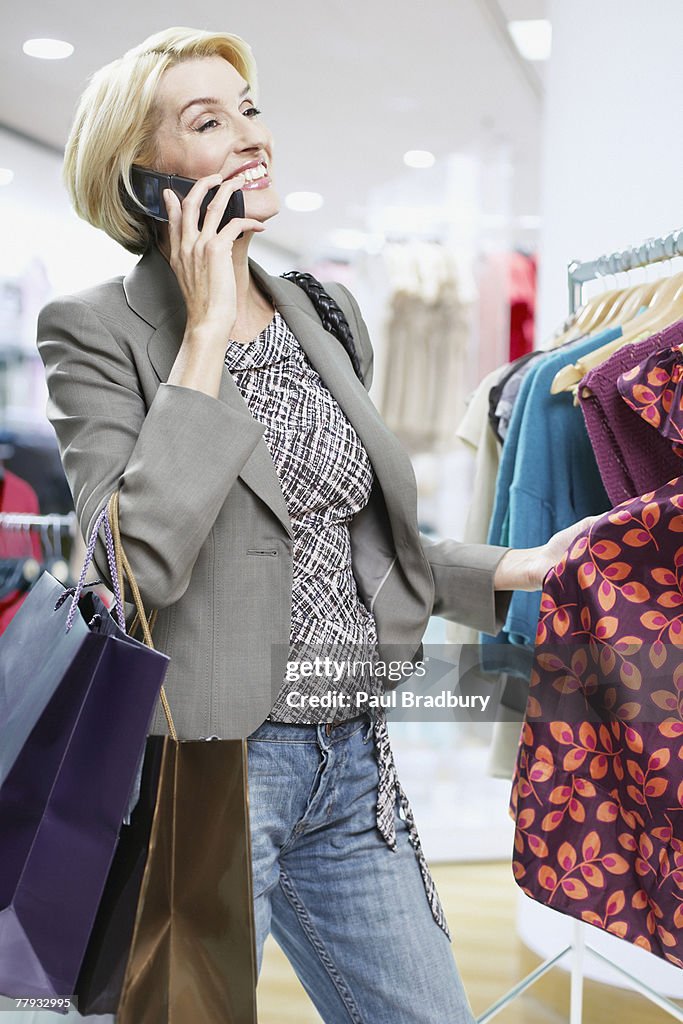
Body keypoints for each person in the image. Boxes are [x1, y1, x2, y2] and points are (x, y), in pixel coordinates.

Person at [36, 27, 594, 1024]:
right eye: (208, 121)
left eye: (249, 109)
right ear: (140, 182)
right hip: (206, 771)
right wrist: (203, 334)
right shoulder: (96, 332)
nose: (253, 136)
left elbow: (350, 539)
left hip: (351, 762)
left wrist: (516, 564)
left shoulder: (323, 312)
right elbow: (135, 566)